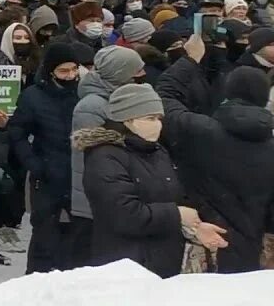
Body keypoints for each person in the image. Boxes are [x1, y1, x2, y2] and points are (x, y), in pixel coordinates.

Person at [74, 84, 227, 277]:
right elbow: (123, 215)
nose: (158, 124)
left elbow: (172, 198)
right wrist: (177, 214)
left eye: (159, 118)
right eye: (150, 118)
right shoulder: (105, 156)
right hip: (126, 267)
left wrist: (194, 228)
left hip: (163, 263)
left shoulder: (156, 151)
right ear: (127, 119)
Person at [159, 62, 274, 273]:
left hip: (199, 239)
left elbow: (165, 99)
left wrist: (188, 61)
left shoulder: (197, 130)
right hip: (249, 248)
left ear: (228, 92)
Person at [69, 45, 146, 267]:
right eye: (136, 72)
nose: (141, 76)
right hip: (92, 194)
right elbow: (92, 148)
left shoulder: (119, 97)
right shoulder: (92, 105)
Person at [7, 42, 81, 273]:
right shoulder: (33, 97)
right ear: (51, 72)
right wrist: (33, 163)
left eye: (74, 70)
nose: (70, 76)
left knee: (77, 239)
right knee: (44, 239)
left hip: (78, 176)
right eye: (63, 71)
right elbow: (17, 133)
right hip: (47, 176)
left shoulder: (83, 92)